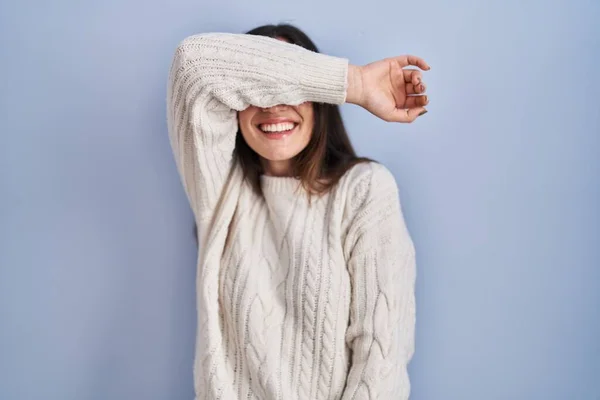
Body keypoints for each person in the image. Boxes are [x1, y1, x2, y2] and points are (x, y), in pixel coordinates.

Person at [167, 23, 427, 400]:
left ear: (318, 99)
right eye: (260, 89)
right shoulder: (221, 192)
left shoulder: (364, 190)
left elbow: (381, 359)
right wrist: (355, 83)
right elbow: (193, 63)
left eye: (292, 89)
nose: (274, 105)